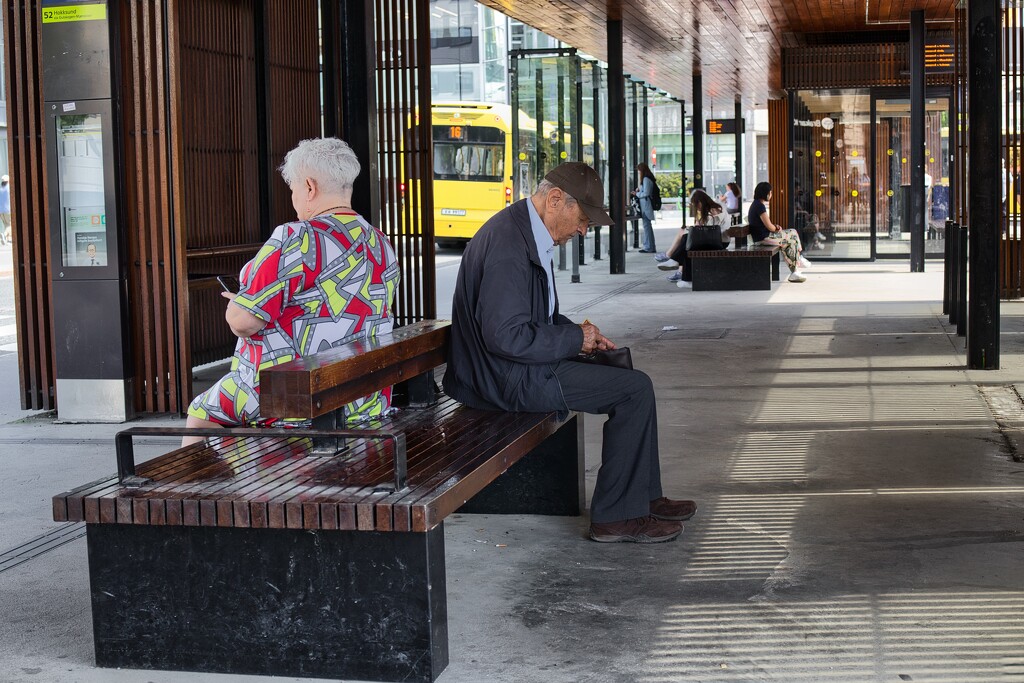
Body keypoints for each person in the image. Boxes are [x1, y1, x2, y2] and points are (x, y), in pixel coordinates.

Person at [444, 161, 696, 544]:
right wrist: (573, 340)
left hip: (512, 368)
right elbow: (505, 336)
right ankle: (615, 517)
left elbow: (537, 315)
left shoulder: (523, 230)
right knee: (634, 390)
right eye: (583, 220)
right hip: (503, 378)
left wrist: (582, 335)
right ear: (556, 200)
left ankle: (642, 498)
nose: (582, 230)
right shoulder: (509, 246)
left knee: (628, 380)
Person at [183, 138, 400, 445]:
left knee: (202, 411)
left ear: (310, 187)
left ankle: (196, 492)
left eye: (294, 189)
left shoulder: (297, 238)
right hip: (365, 395)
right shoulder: (380, 242)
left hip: (296, 396)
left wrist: (238, 305)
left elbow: (244, 323)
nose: (294, 199)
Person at [657, 189, 730, 289]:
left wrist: (694, 228)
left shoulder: (714, 210)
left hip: (719, 242)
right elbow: (706, 229)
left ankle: (676, 262)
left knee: (687, 239)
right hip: (715, 240)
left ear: (700, 202)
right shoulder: (713, 208)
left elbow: (710, 229)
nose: (697, 208)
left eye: (696, 205)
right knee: (688, 245)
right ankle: (683, 274)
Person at [748, 181, 809, 283]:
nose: (771, 195)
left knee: (790, 238)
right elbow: (769, 227)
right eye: (770, 193)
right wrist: (776, 228)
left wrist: (775, 227)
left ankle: (796, 267)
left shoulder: (756, 204)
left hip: (762, 236)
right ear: (766, 193)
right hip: (763, 238)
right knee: (792, 235)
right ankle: (797, 262)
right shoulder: (760, 206)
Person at [632, 163, 658, 253]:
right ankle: (649, 246)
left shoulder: (646, 179)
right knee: (647, 227)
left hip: (646, 206)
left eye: (639, 171)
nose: (639, 173)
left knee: (647, 227)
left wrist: (637, 194)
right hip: (646, 205)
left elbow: (646, 193)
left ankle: (649, 247)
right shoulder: (648, 179)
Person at [0, 175, 11, 246]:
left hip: (1, 211)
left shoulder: (0, 189)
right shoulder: (9, 188)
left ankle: (6, 240)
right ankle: (4, 235)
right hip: (8, 210)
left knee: (6, 225)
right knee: (10, 225)